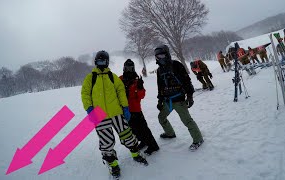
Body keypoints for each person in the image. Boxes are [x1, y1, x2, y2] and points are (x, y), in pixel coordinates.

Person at [81, 50, 148, 178]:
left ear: (107, 62)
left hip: (117, 112)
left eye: (104, 61)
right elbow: (85, 94)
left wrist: (125, 107)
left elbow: (121, 92)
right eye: (99, 61)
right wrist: (89, 108)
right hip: (99, 115)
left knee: (127, 135)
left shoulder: (113, 77)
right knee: (106, 141)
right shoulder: (90, 78)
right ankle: (113, 164)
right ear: (96, 62)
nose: (101, 63)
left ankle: (136, 154)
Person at [154, 45, 204, 151]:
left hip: (179, 100)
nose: (160, 58)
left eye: (162, 55)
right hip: (168, 101)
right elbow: (160, 86)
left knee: (187, 121)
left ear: (167, 54)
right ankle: (170, 133)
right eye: (158, 56)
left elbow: (187, 81)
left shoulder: (176, 65)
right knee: (161, 117)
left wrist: (190, 96)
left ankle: (198, 139)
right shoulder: (159, 70)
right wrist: (160, 100)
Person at [120, 59, 159, 155]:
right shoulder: (119, 79)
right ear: (124, 68)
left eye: (131, 68)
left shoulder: (136, 80)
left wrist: (140, 88)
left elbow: (141, 96)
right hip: (125, 110)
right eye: (127, 68)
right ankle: (144, 141)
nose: (128, 70)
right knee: (133, 129)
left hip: (136, 109)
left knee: (143, 128)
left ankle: (153, 146)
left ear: (133, 68)